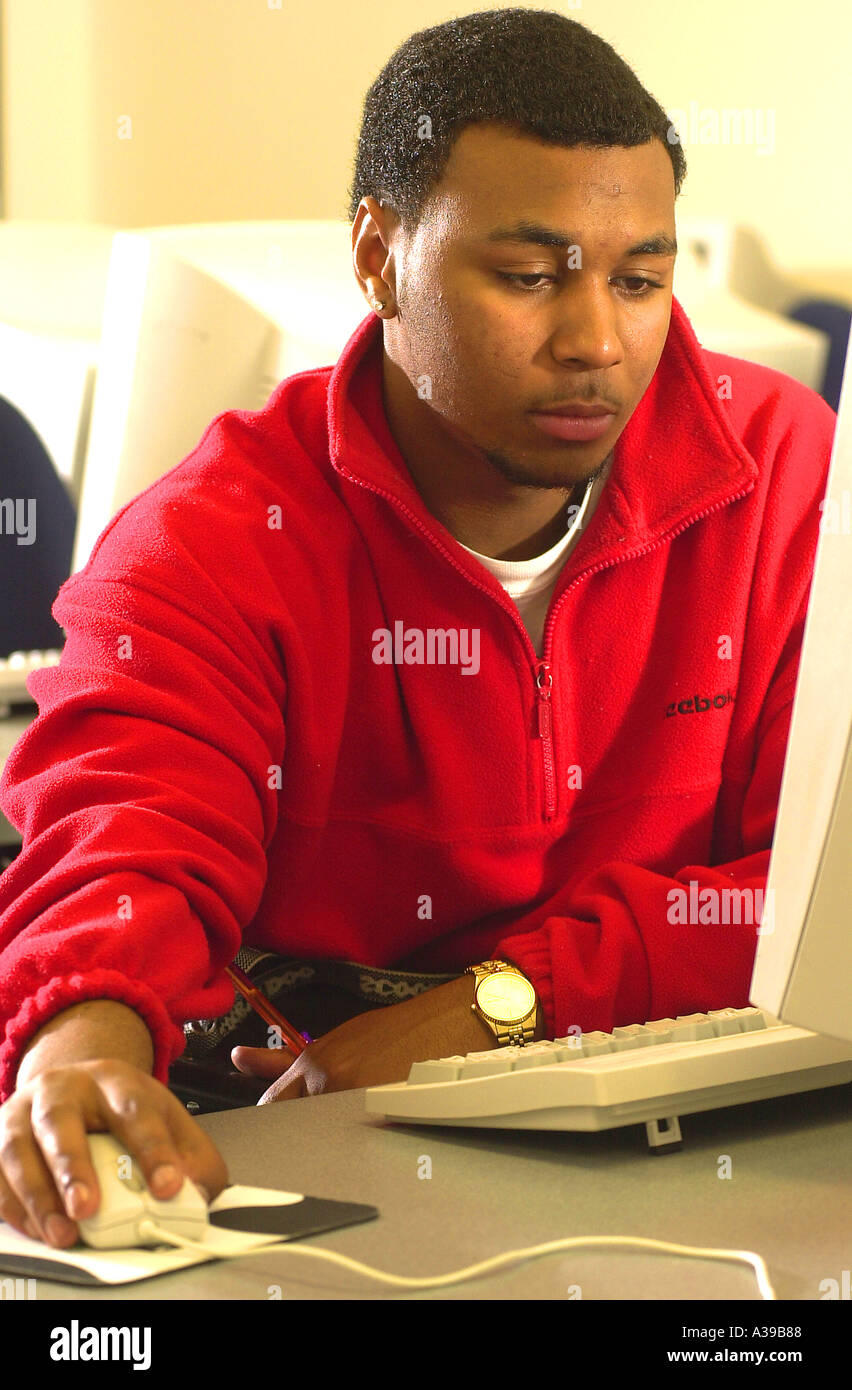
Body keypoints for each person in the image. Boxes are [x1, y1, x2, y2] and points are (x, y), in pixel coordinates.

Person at [0, 8, 835, 1251]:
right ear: (379, 257)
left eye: (639, 280)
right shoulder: (212, 542)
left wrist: (509, 1002)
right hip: (335, 1165)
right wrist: (79, 1045)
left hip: (708, 1156)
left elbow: (821, 905)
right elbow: (127, 850)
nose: (598, 342)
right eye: (529, 276)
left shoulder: (788, 475)